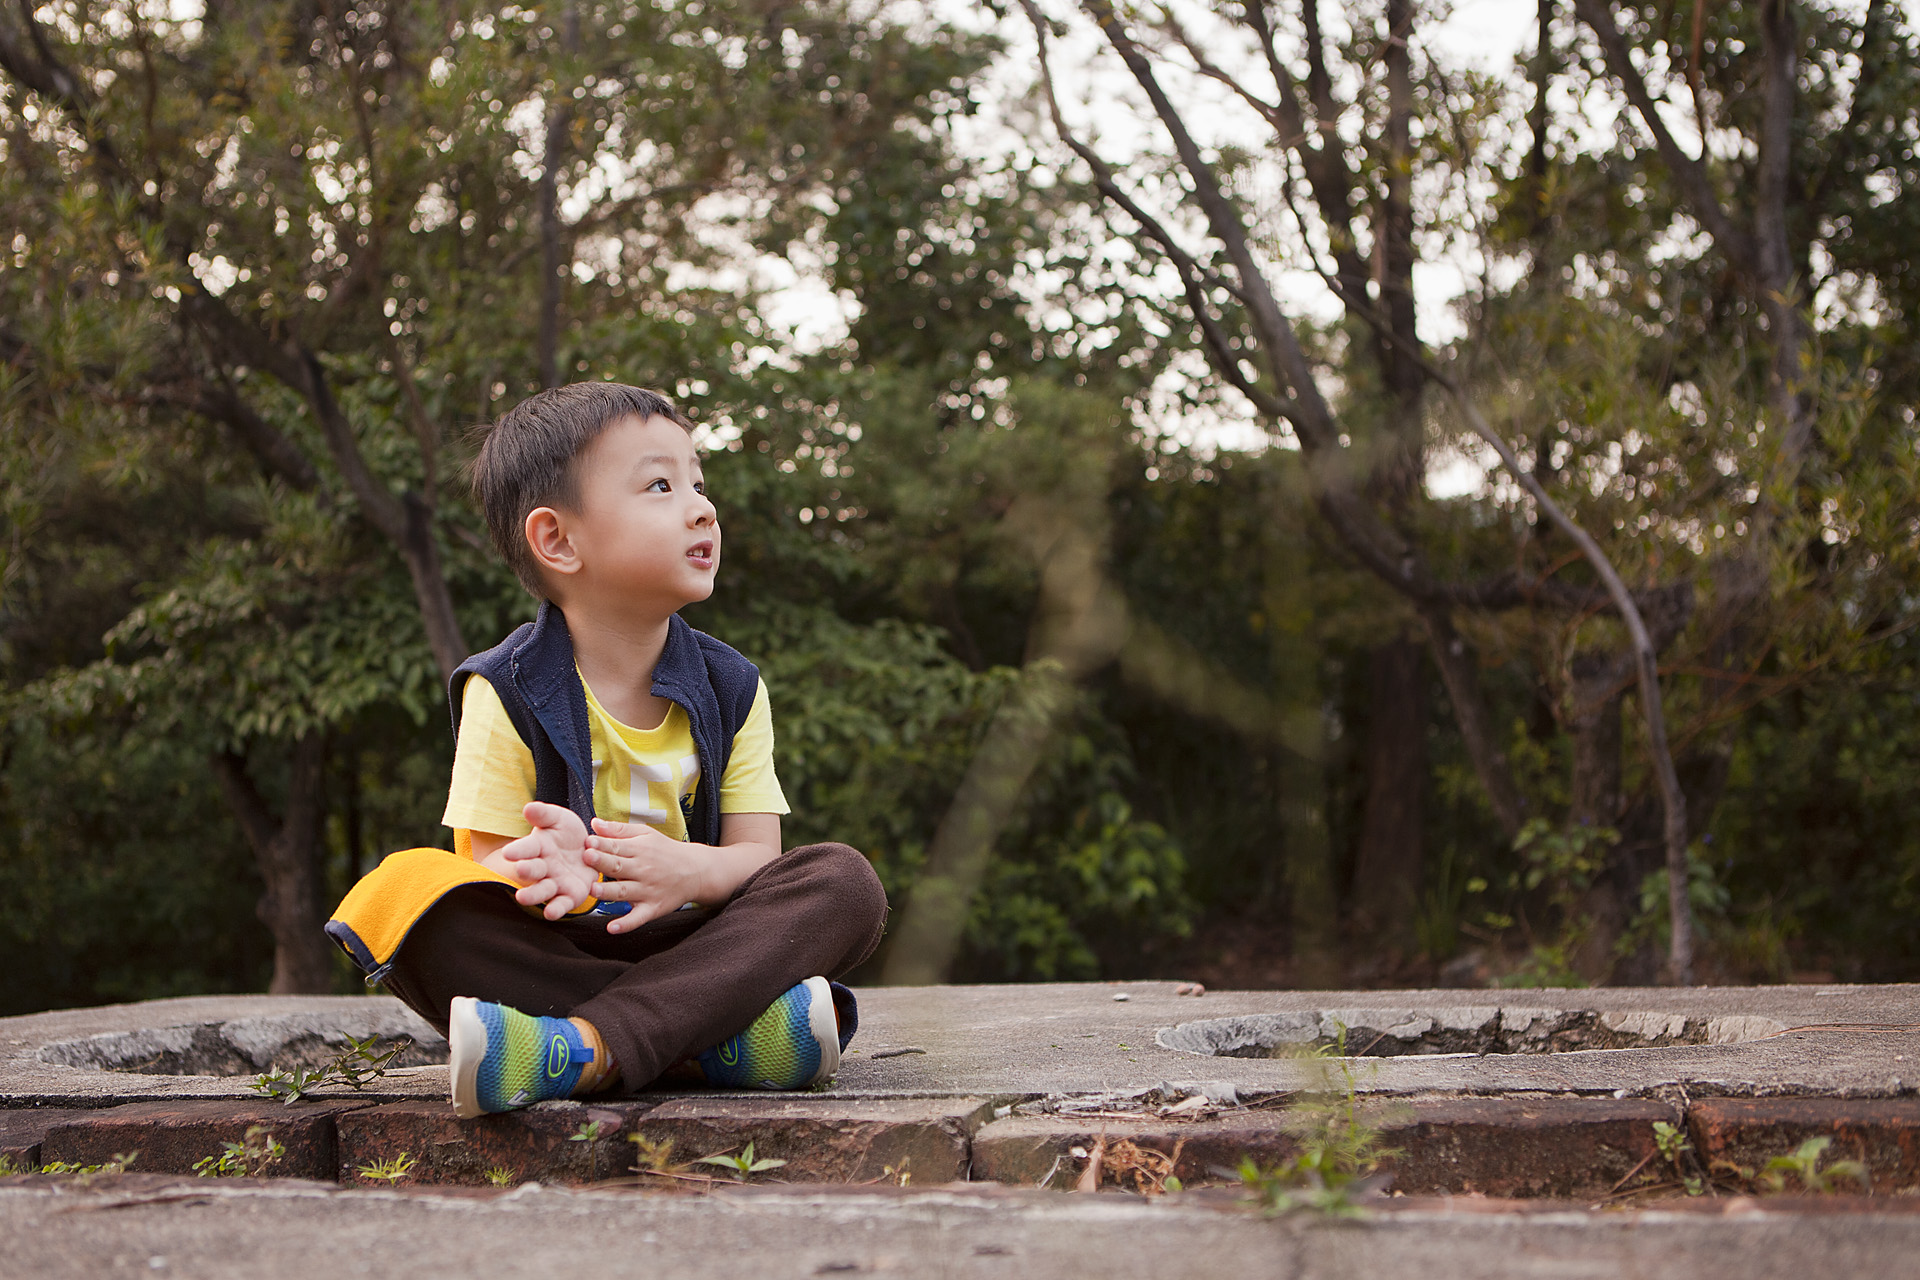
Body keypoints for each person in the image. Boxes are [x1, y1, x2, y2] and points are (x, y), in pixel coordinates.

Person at [325, 383, 888, 1117]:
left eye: (698, 483)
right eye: (660, 486)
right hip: (565, 951)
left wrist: (689, 869)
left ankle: (579, 1049)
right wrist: (556, 871)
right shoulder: (504, 689)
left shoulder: (733, 687)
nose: (702, 509)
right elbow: (485, 873)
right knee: (400, 890)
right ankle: (716, 1043)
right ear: (558, 540)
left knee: (843, 882)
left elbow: (759, 858)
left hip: (700, 945)